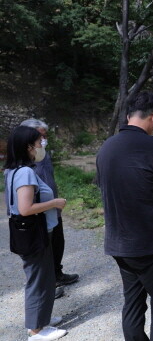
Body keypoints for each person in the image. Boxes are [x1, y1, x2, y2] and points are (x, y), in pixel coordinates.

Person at [96, 91, 153, 341]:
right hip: (151, 243)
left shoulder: (107, 147)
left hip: (119, 243)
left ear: (127, 115)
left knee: (133, 301)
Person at [4, 126, 68, 340]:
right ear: (28, 146)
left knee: (45, 276)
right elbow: (25, 208)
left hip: (32, 232)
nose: (42, 144)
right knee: (38, 279)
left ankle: (41, 319)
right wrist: (55, 203)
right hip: (34, 234)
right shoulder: (25, 173)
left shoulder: (13, 170)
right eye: (38, 141)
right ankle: (36, 330)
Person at [20, 119, 79, 293]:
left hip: (53, 207)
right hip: (39, 210)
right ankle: (46, 286)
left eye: (45, 136)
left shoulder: (44, 152)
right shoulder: (25, 161)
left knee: (58, 241)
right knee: (44, 247)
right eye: (40, 136)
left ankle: (57, 274)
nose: (44, 139)